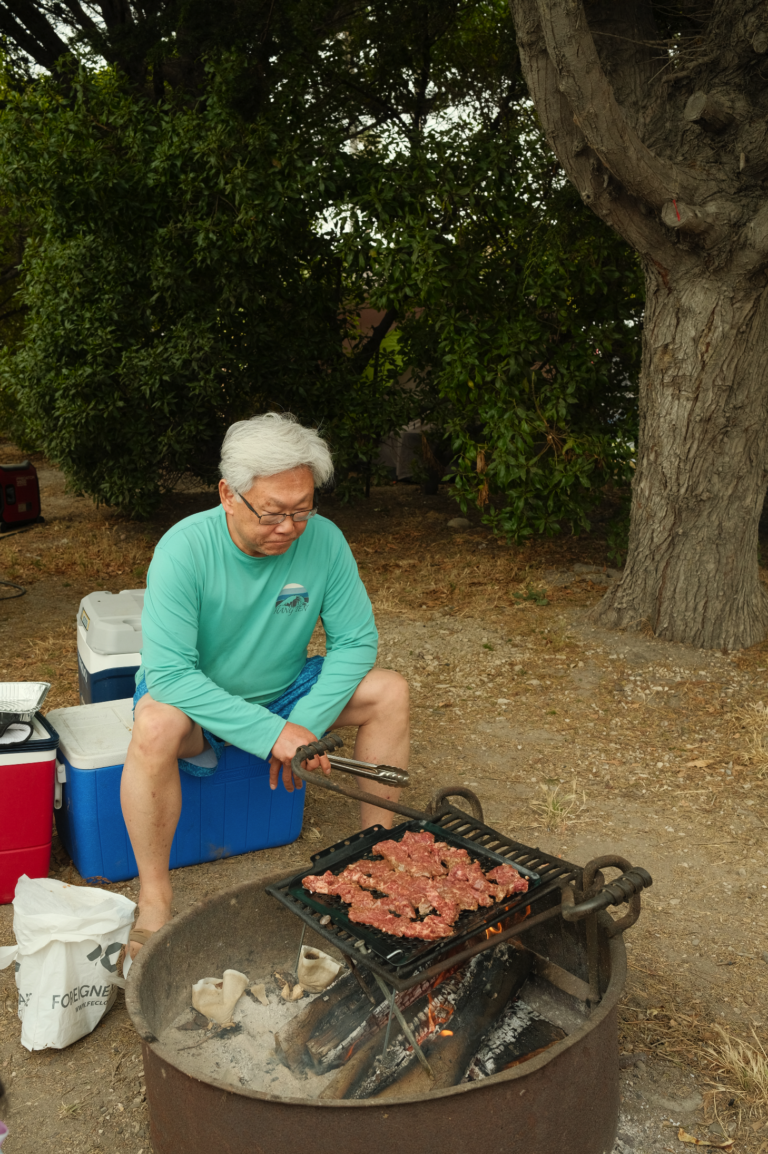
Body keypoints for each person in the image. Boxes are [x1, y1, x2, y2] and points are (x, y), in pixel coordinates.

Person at [120, 413, 408, 961]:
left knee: (389, 691)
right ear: (228, 494)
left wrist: (305, 725)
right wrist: (271, 733)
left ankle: (377, 859)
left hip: (284, 688)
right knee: (154, 725)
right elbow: (172, 675)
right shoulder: (184, 548)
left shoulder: (323, 540)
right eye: (273, 513)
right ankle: (154, 897)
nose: (289, 528)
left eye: (302, 510)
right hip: (196, 701)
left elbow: (356, 642)